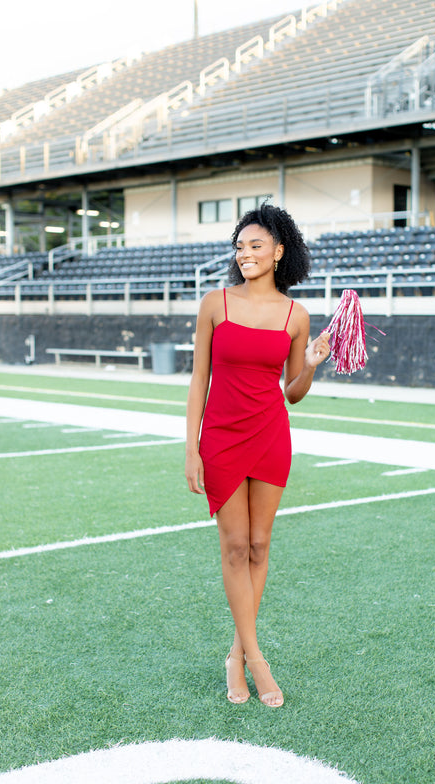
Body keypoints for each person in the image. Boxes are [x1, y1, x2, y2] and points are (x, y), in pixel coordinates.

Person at [185, 203, 330, 708]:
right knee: (234, 546)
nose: (245, 253)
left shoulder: (296, 315)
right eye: (240, 246)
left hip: (271, 433)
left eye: (255, 245)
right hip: (221, 436)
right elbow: (198, 380)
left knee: (260, 544)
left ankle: (235, 655)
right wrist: (191, 449)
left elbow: (291, 392)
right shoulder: (214, 303)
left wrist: (310, 365)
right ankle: (256, 659)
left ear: (279, 252)